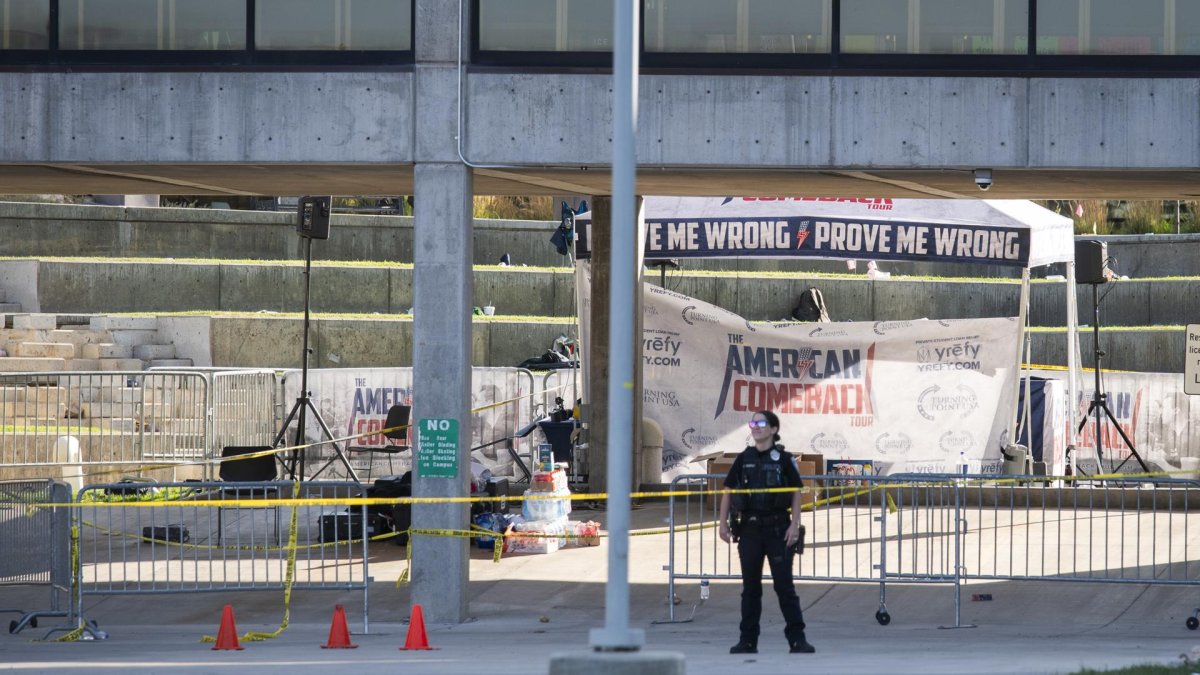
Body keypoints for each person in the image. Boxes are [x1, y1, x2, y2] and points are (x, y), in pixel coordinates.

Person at [718, 410, 815, 655]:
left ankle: (797, 639)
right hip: (749, 529)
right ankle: (747, 640)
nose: (755, 427)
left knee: (784, 586)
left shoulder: (784, 459)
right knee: (750, 588)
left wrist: (794, 525)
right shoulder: (744, 458)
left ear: (773, 429)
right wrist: (722, 524)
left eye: (761, 423)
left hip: (778, 529)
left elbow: (795, 491)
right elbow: (728, 490)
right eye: (753, 423)